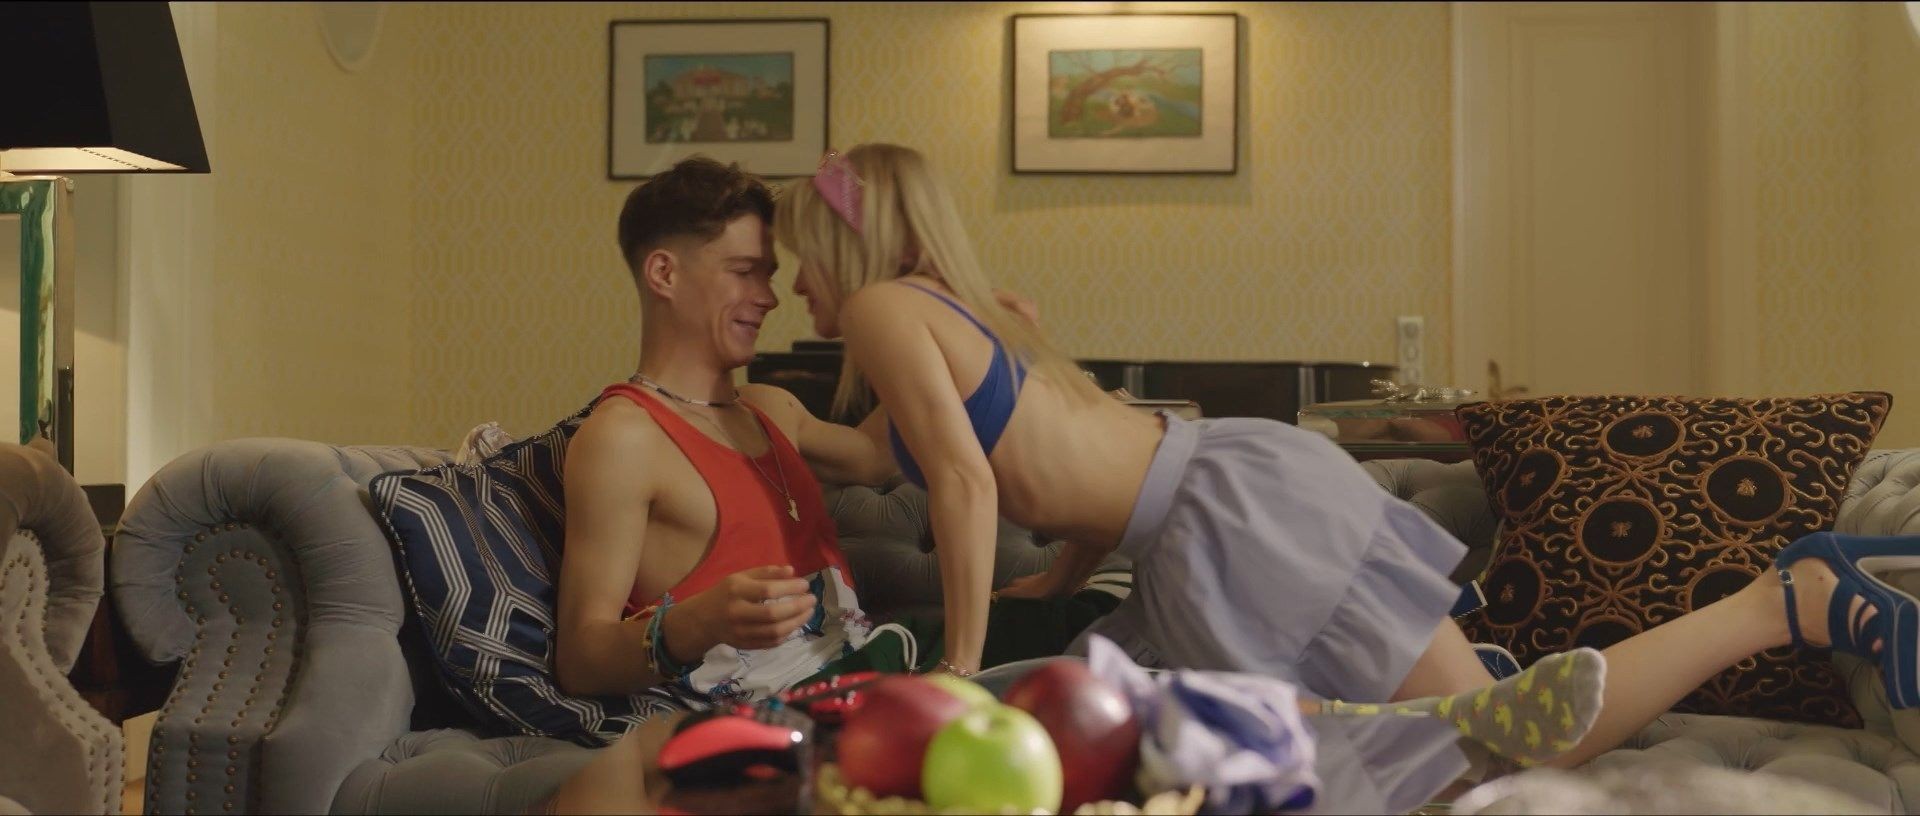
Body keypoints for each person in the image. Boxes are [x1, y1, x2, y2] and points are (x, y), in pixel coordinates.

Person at [771, 142, 1901, 768]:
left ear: (840, 240)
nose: (791, 287)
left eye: (795, 258)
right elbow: (961, 456)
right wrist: (754, 414)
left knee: (1509, 749)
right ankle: (1440, 700)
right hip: (1211, 509)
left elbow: (969, 478)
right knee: (1177, 749)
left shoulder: (883, 308)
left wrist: (962, 660)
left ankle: (1780, 601)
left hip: (1225, 524)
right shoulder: (958, 310)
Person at [555, 156, 1120, 710]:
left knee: (1097, 625)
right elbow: (581, 660)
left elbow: (876, 455)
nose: (770, 297)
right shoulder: (625, 438)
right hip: (794, 706)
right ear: (664, 274)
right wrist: (693, 622)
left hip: (875, 660)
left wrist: (971, 337)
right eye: (743, 271)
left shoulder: (768, 406)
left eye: (769, 274)